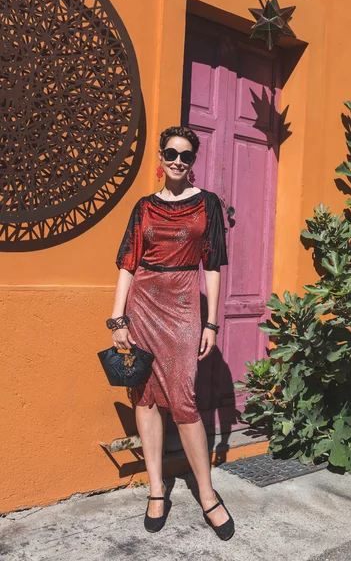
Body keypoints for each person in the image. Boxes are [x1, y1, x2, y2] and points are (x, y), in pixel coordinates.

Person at [107, 126, 235, 540]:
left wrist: (211, 322)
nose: (178, 160)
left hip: (182, 307)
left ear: (193, 162)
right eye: (171, 153)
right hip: (142, 305)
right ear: (160, 159)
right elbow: (128, 262)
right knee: (144, 395)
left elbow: (212, 266)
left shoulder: (208, 204)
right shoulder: (144, 206)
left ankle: (208, 494)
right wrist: (118, 318)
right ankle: (157, 489)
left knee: (183, 398)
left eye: (186, 155)